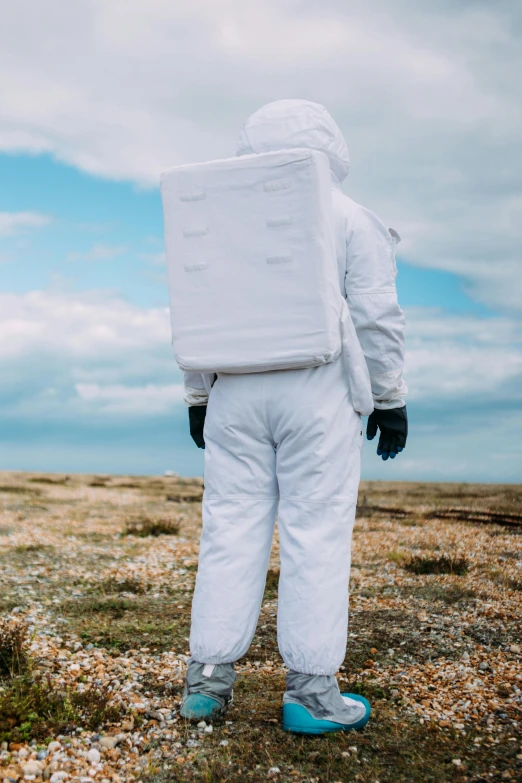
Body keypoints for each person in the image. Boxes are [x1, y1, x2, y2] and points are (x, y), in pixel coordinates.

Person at [179, 99, 408, 734]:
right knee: (316, 535)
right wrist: (390, 399)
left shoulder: (219, 216)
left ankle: (207, 682)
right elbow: (376, 316)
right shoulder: (350, 216)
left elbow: (196, 305)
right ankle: (310, 696)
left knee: (227, 532)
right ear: (331, 148)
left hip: (233, 390)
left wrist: (199, 394)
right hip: (318, 391)